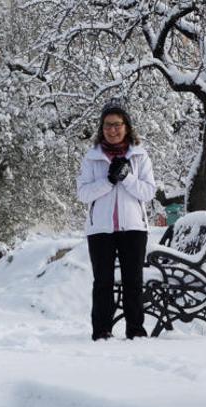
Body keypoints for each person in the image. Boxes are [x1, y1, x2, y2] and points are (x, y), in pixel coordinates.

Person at [76, 98, 156, 341]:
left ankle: (136, 330)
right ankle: (101, 331)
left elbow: (148, 192)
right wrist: (108, 181)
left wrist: (127, 177)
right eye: (108, 125)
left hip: (133, 227)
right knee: (103, 282)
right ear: (101, 128)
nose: (112, 130)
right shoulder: (91, 159)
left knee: (133, 281)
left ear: (127, 127)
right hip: (100, 229)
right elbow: (83, 193)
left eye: (117, 124)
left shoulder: (140, 157)